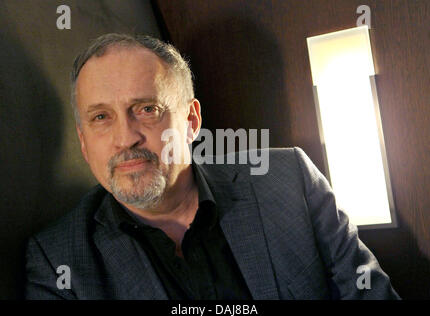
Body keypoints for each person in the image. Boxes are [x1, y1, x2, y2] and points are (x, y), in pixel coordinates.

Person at [25, 33, 400, 300]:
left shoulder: (289, 181)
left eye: (147, 109)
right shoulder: (58, 261)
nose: (126, 138)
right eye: (101, 117)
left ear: (190, 121)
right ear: (83, 141)